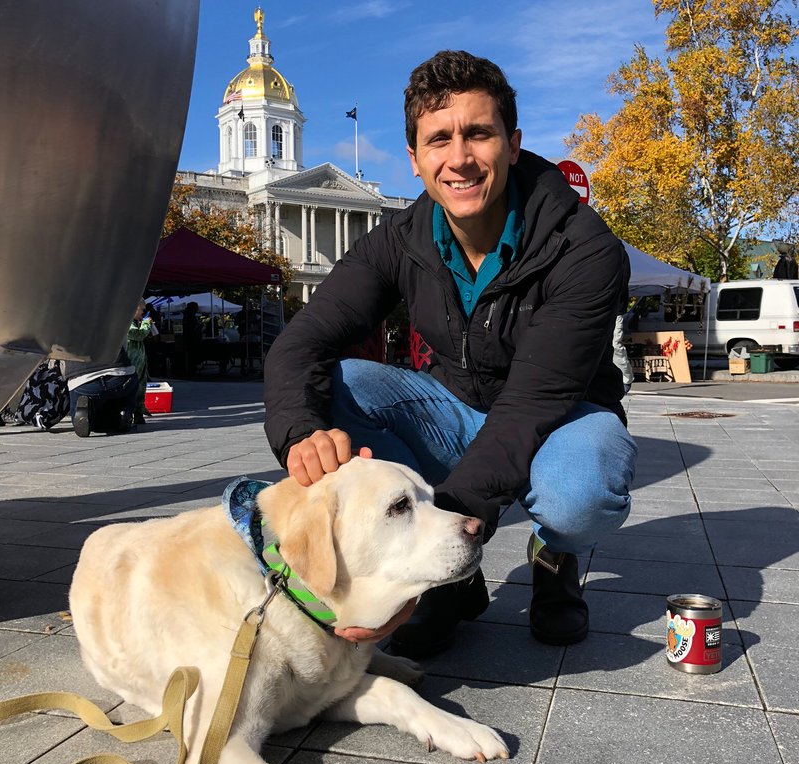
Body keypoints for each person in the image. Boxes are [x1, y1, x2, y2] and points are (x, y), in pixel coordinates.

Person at [263, 50, 638, 659]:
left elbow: (531, 405)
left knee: (584, 485)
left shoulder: (584, 249)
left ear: (512, 144)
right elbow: (300, 342)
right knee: (336, 383)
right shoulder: (399, 240)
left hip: (558, 420)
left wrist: (435, 551)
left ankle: (554, 553)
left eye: (478, 134)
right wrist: (299, 432)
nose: (459, 158)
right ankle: (458, 587)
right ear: (414, 159)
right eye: (439, 139)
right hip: (454, 409)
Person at [63, 347, 139, 438]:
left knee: (87, 412)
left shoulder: (66, 332)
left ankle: (86, 414)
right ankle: (124, 409)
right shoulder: (114, 331)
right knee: (129, 384)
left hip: (84, 380)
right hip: (120, 375)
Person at [128, 298, 154, 424]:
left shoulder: (134, 322)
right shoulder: (126, 323)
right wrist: (146, 324)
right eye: (141, 310)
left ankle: (139, 411)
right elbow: (138, 335)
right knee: (133, 387)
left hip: (139, 362)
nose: (143, 313)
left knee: (141, 387)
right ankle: (131, 412)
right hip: (132, 363)